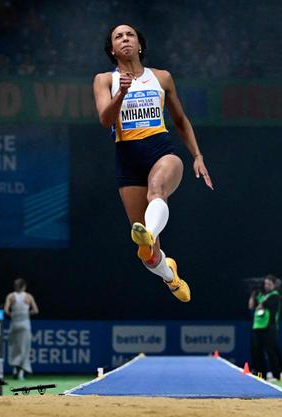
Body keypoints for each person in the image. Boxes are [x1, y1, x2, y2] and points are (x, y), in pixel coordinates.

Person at [92, 24, 213, 303]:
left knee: (156, 190)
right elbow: (104, 120)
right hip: (127, 159)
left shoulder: (162, 77)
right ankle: (171, 275)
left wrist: (197, 156)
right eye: (118, 37)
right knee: (149, 255)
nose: (124, 39)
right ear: (112, 50)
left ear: (139, 44)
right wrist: (120, 94)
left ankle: (150, 233)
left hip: (160, 150)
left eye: (129, 35)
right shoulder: (104, 80)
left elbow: (181, 121)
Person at [248, 275, 282, 381]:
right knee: (256, 351)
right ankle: (260, 375)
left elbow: (262, 305)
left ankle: (276, 375)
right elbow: (251, 306)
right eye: (265, 284)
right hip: (257, 326)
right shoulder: (260, 295)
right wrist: (253, 293)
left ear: (274, 285)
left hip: (269, 327)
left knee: (271, 351)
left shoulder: (275, 295)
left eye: (269, 284)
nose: (266, 286)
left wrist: (259, 302)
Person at [4, 278, 39, 380]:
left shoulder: (10, 296)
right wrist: (25, 314)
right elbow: (36, 310)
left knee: (14, 347)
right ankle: (21, 373)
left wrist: (14, 315)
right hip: (25, 325)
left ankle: (15, 369)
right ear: (24, 286)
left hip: (14, 324)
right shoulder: (28, 296)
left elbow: (6, 310)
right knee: (24, 349)